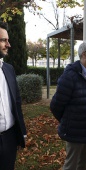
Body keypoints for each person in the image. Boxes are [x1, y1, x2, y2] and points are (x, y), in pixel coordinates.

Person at [50, 41, 86, 170]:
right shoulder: (70, 76)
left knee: (84, 162)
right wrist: (69, 122)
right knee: (71, 165)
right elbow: (56, 105)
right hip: (75, 129)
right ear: (84, 54)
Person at [0, 21, 26, 170]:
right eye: (3, 40)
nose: (8, 44)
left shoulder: (9, 69)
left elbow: (16, 102)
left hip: (9, 139)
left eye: (7, 40)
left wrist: (22, 131)